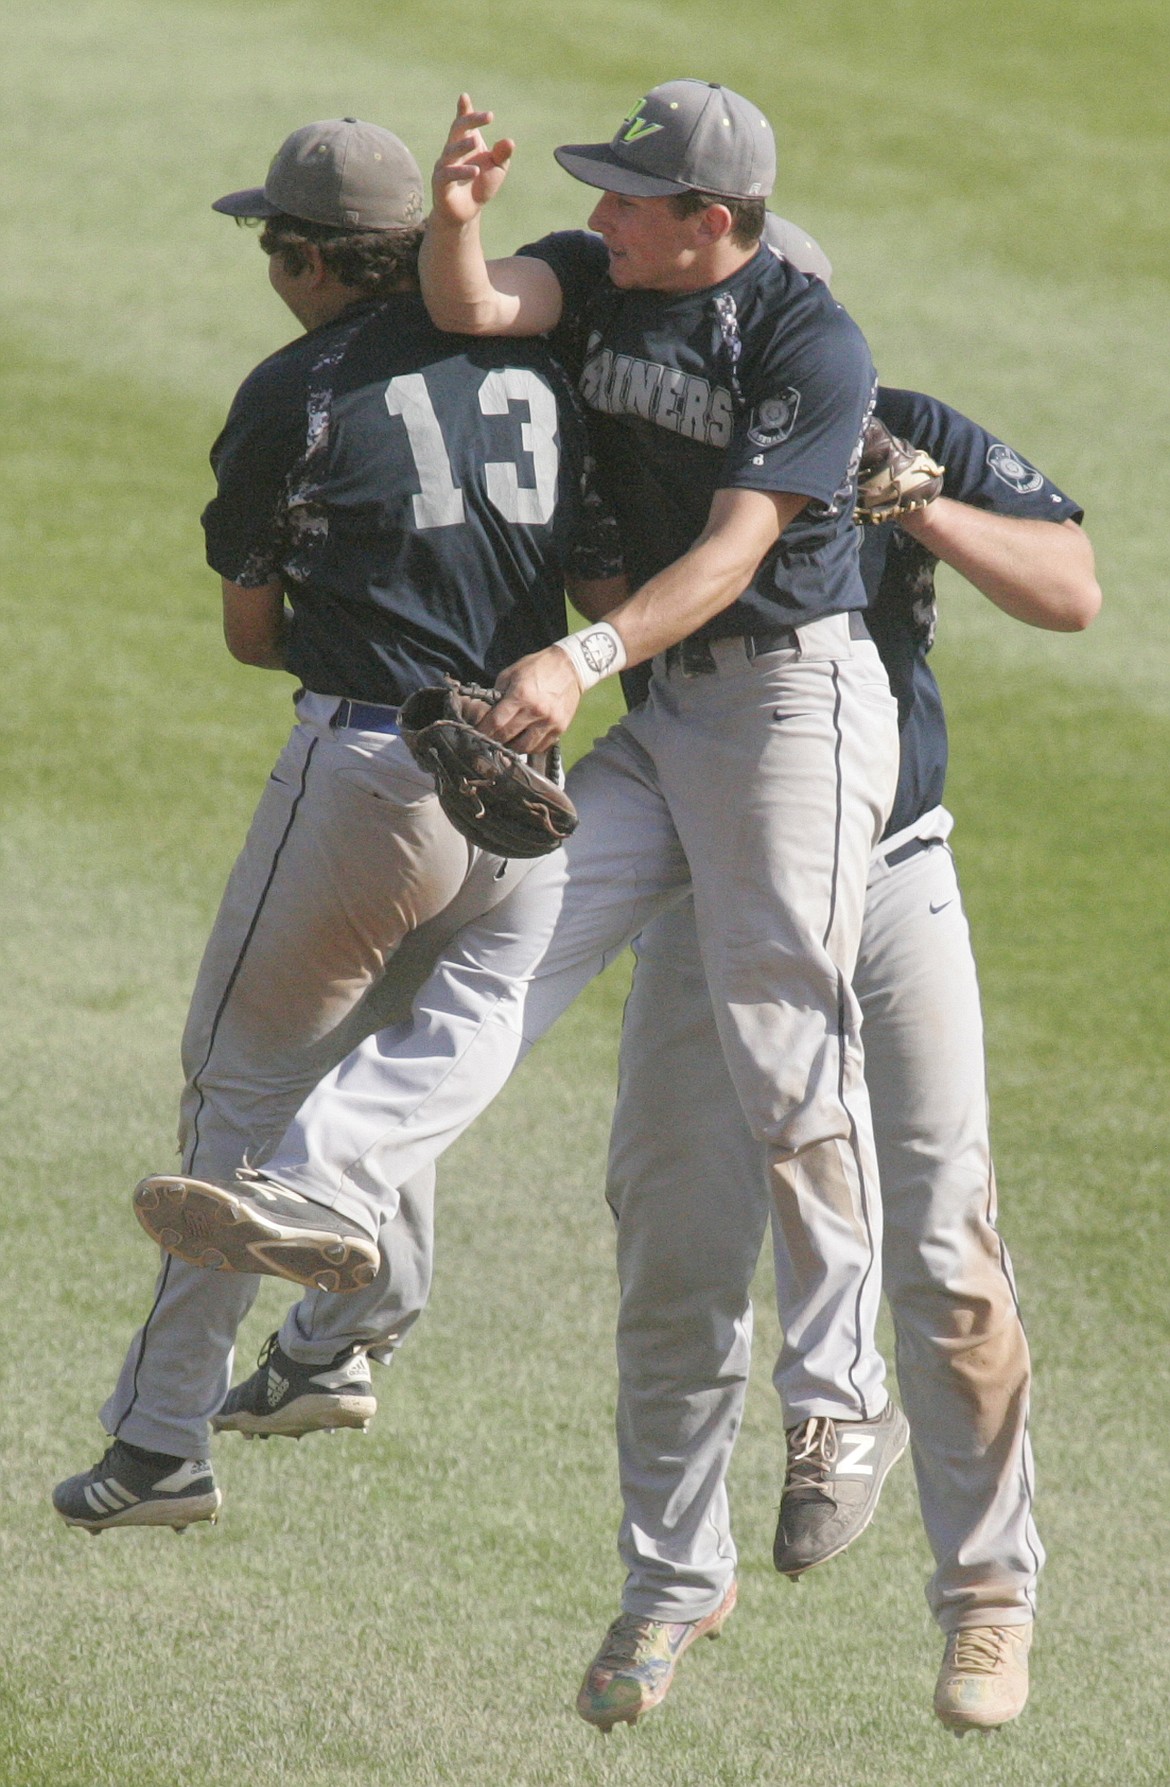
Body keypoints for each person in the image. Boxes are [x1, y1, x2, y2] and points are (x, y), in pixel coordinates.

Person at [134, 81, 910, 1573]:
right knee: (510, 964)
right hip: (664, 711)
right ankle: (318, 1198)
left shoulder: (810, 340)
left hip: (787, 710)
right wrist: (467, 218)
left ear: (712, 221)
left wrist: (578, 661)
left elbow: (743, 546)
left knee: (779, 1038)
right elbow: (477, 301)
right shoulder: (599, 278)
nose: (601, 211)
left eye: (630, 195)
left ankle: (838, 1401)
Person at [53, 116, 622, 1532]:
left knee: (241, 1098)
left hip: (369, 775)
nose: (268, 272)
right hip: (532, 776)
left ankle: (159, 1450)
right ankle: (338, 1344)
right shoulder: (535, 364)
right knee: (427, 1051)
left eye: (272, 249)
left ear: (311, 258)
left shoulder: (293, 387)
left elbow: (254, 633)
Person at [578, 384, 1099, 1734]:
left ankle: (987, 1599)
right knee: (678, 1242)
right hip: (714, 893)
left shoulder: (894, 418)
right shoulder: (632, 437)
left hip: (887, 887)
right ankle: (670, 1579)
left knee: (943, 1245)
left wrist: (919, 500)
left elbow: (1069, 588)